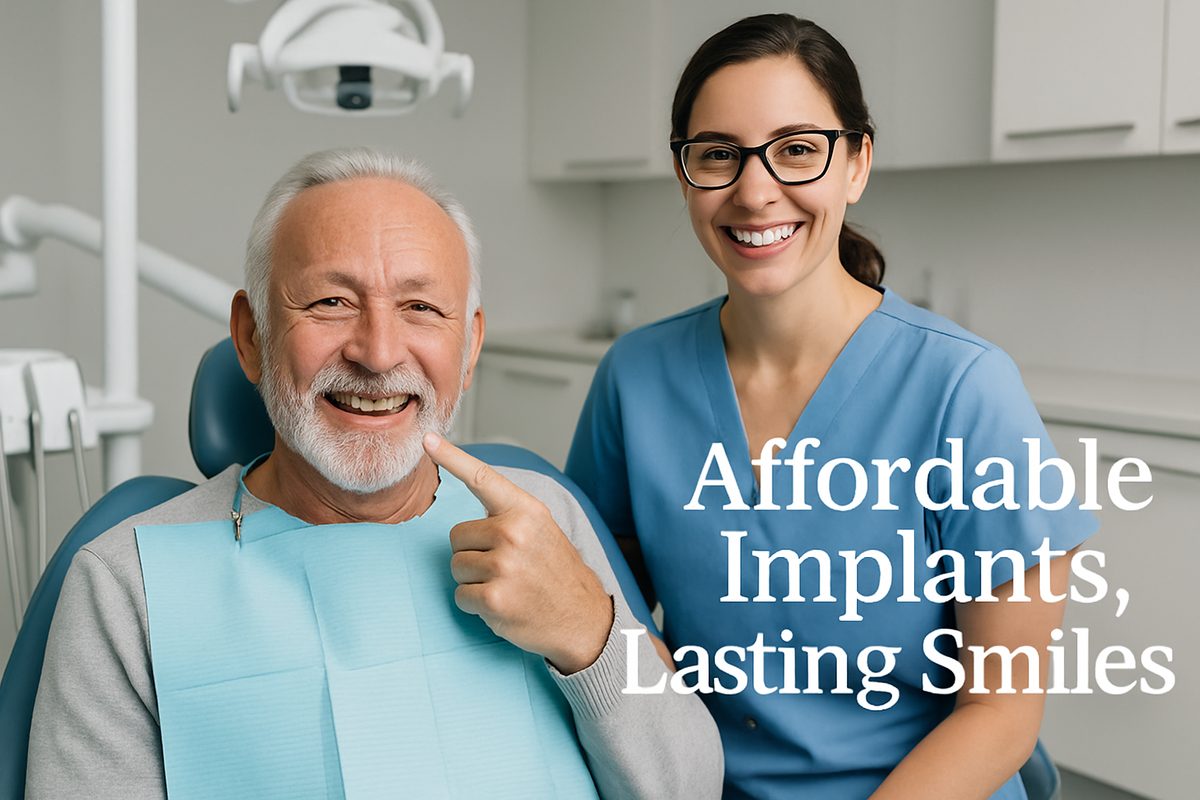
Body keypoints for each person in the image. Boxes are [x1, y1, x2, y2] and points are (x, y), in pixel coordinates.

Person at [27, 147, 722, 799]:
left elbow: (689, 784)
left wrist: (589, 636)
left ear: (470, 343)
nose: (379, 352)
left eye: (421, 307)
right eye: (330, 302)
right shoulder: (125, 584)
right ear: (252, 336)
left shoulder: (541, 517)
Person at [566, 14, 1096, 800]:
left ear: (856, 164)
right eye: (717, 154)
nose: (753, 190)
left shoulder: (963, 390)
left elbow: (1002, 709)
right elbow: (612, 631)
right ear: (684, 174)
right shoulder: (635, 379)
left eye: (797, 150)